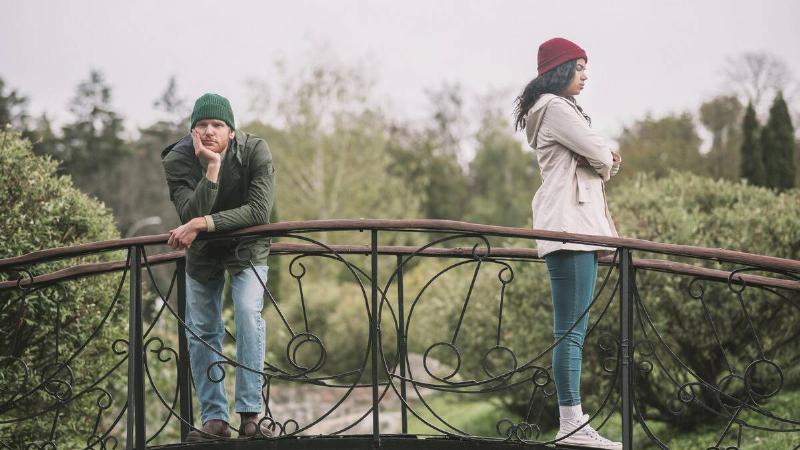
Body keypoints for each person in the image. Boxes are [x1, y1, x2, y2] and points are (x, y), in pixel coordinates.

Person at [513, 38, 622, 449]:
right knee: (571, 332)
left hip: (570, 227)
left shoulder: (551, 111)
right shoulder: (556, 109)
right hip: (570, 228)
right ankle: (572, 425)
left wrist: (597, 158)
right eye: (579, 68)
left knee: (571, 330)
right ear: (560, 71)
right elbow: (600, 153)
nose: (585, 75)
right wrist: (603, 158)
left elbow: (594, 157)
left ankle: (572, 422)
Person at [161, 93, 275, 441]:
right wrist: (211, 168)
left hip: (247, 248)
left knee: (246, 312)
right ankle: (214, 420)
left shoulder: (255, 151)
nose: (209, 131)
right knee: (201, 329)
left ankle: (250, 415)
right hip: (203, 254)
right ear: (192, 131)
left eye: (218, 125)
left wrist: (202, 223)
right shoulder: (178, 160)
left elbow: (259, 212)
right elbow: (187, 214)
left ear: (232, 131)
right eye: (202, 125)